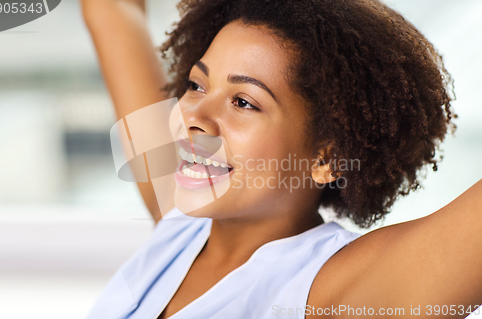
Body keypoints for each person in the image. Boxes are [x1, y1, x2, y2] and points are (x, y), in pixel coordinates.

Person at [81, 0, 482, 318]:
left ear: (329, 156)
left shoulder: (332, 290)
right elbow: (111, 9)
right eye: (197, 84)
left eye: (243, 102)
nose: (193, 118)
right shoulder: (179, 226)